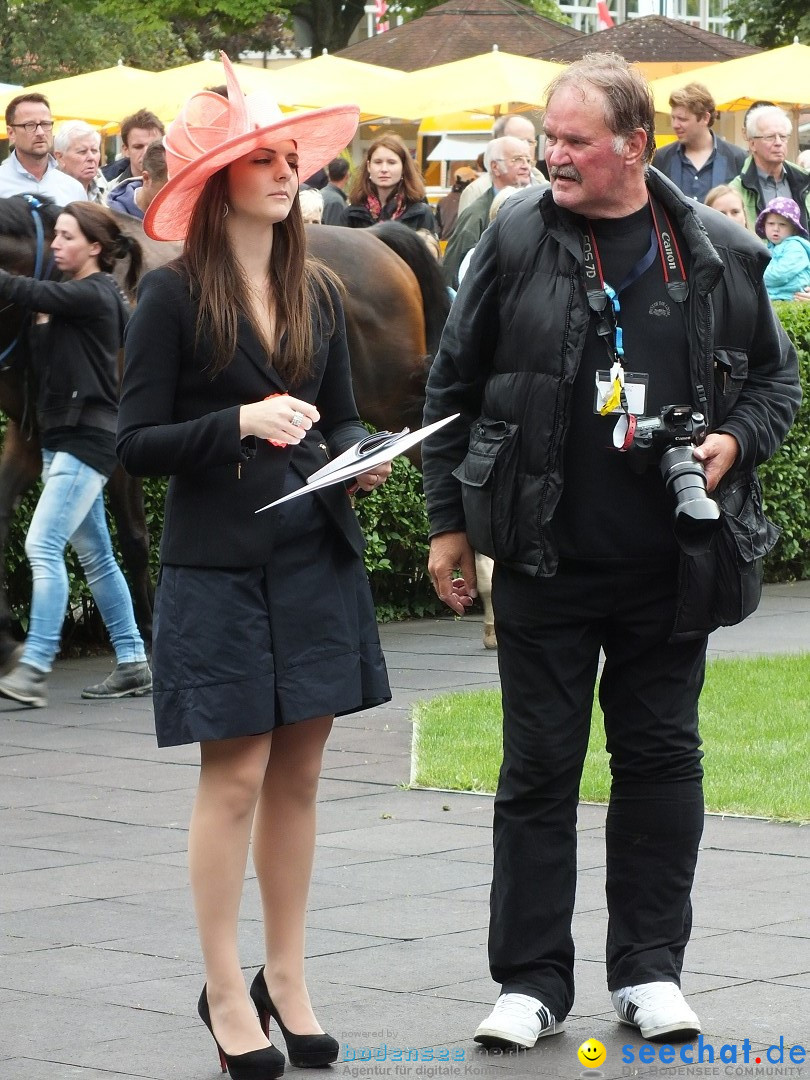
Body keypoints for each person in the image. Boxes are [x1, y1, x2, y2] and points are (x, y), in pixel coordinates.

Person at [422, 52, 800, 1052]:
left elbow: (774, 386)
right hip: (543, 556)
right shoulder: (509, 241)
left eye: (575, 140)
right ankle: (531, 984)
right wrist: (446, 522)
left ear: (634, 146)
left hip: (671, 565)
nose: (555, 155)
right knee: (538, 769)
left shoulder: (716, 250)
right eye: (549, 138)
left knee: (661, 760)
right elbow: (450, 387)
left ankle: (649, 974)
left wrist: (732, 442)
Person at [116, 53, 391, 1078]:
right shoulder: (169, 301)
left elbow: (348, 419)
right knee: (232, 780)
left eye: (292, 158)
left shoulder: (315, 287)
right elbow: (134, 446)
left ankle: (288, 975)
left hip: (314, 556)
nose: (287, 174)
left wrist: (358, 463)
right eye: (264, 158)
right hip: (218, 568)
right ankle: (225, 989)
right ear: (218, 177)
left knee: (302, 779)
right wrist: (235, 419)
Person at [0, 203, 152, 708]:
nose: (55, 244)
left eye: (66, 237)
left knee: (42, 546)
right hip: (66, 440)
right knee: (97, 557)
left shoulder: (92, 293)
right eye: (55, 235)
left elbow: (20, 289)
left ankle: (34, 667)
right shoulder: (74, 296)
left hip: (85, 441)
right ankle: (132, 661)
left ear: (94, 248)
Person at [442, 136, 533, 289]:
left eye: (528, 160)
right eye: (517, 159)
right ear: (495, 167)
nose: (526, 166)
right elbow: (452, 274)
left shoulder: (539, 202)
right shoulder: (476, 214)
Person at [651, 83, 746, 202]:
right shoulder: (661, 158)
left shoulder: (737, 158)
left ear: (705, 118)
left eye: (682, 119)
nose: (675, 125)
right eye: (673, 118)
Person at [729, 104, 810, 234]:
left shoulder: (805, 181)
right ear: (752, 144)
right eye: (770, 137)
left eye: (783, 137)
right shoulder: (737, 190)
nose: (778, 142)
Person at [342, 132, 436, 233]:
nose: (384, 169)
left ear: (403, 167)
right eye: (378, 162)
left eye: (391, 162)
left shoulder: (421, 213)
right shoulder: (352, 214)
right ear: (369, 166)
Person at [0, 93, 86, 202]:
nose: (40, 132)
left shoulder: (73, 189)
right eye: (30, 125)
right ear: (11, 133)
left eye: (45, 124)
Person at [458, 112, 545, 214]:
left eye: (530, 141)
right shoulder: (477, 192)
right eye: (518, 141)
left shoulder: (545, 186)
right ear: (497, 143)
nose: (526, 146)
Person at [755, 197, 810, 301]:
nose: (776, 228)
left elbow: (780, 275)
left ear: (793, 229)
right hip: (774, 297)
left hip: (792, 298)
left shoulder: (795, 247)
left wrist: (756, 275)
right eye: (771, 223)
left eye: (782, 224)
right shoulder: (767, 247)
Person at [102, 109, 165, 192]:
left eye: (153, 146)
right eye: (138, 147)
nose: (146, 152)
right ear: (126, 150)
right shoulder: (109, 191)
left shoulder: (179, 186)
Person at [108, 140, 168, 220]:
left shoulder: (184, 214)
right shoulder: (110, 219)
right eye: (169, 190)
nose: (178, 199)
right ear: (146, 178)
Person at [54, 120, 108, 203]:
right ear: (60, 157)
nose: (91, 157)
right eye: (82, 151)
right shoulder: (50, 194)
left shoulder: (105, 189)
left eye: (94, 151)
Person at [435, 165, 478, 241]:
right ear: (471, 181)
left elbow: (437, 227)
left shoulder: (443, 201)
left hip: (444, 244)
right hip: (462, 244)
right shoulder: (472, 200)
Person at [320, 157, 350, 225]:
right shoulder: (336, 201)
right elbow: (335, 231)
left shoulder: (321, 193)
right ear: (347, 175)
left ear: (328, 175)